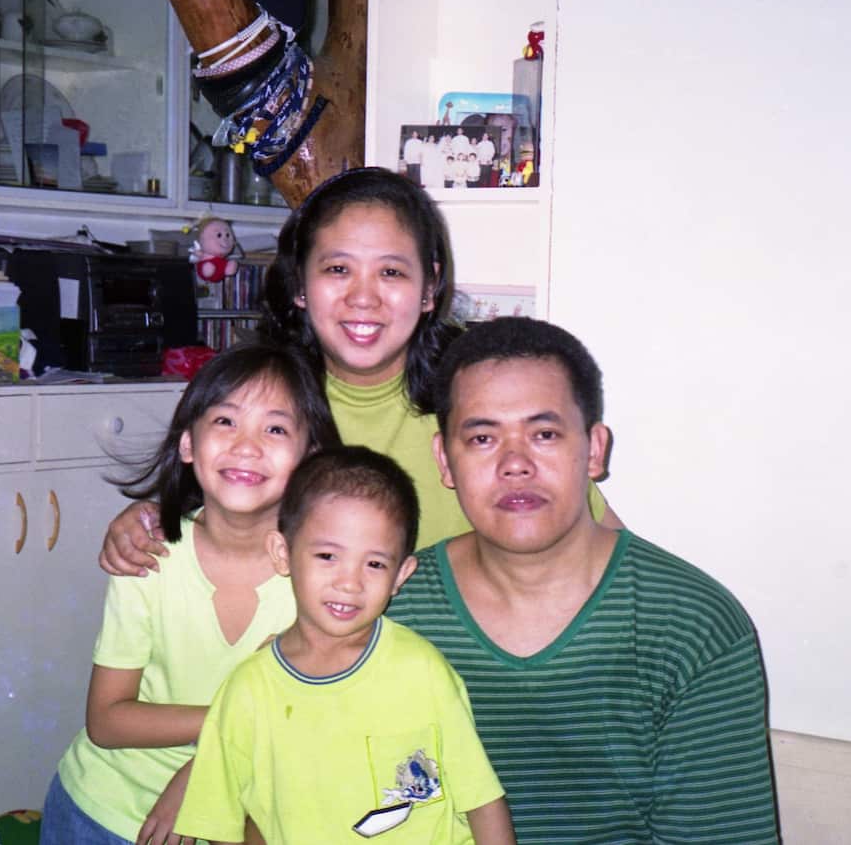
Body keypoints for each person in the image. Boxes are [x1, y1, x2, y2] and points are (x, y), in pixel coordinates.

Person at [97, 167, 615, 573]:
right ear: (300, 283)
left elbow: (598, 539)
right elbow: (206, 521)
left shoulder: (480, 398)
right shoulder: (261, 402)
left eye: (391, 271)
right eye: (338, 269)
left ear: (430, 287)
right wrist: (144, 522)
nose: (363, 297)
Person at [387, 316, 779, 842]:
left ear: (594, 450)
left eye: (544, 434)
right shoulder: (390, 610)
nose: (515, 464)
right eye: (482, 438)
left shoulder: (692, 625)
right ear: (445, 460)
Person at [40, 341, 341, 845]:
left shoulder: (324, 581)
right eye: (225, 421)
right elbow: (108, 721)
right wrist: (228, 729)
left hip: (239, 818)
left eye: (275, 428)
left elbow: (307, 725)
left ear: (311, 456)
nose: (247, 445)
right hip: (104, 812)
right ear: (187, 445)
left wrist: (206, 770)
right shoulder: (147, 557)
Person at [174, 446, 515, 844]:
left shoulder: (421, 670)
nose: (349, 583)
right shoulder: (247, 692)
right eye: (327, 555)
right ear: (282, 553)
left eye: (374, 564)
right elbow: (221, 824)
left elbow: (483, 801)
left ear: (401, 574)